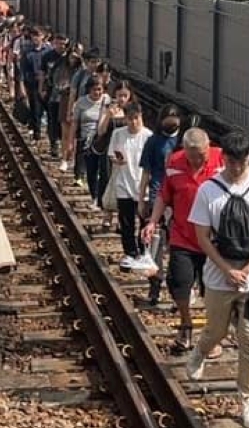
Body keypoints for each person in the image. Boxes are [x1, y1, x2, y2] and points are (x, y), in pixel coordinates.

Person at [186, 132, 249, 428]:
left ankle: (247, 399)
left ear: (248, 158)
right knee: (215, 329)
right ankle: (201, 350)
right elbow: (202, 235)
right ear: (223, 158)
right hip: (219, 273)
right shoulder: (209, 190)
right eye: (231, 162)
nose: (237, 168)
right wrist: (226, 268)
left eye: (241, 162)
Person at [142, 127, 224, 351]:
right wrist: (152, 221)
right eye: (193, 155)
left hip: (213, 239)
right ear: (185, 151)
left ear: (208, 148)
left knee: (212, 289)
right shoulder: (174, 163)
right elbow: (164, 196)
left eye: (202, 155)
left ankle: (211, 334)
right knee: (179, 281)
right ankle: (186, 323)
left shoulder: (220, 160)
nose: (198, 160)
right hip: (183, 235)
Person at [128, 105, 182, 284]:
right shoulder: (153, 141)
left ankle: (177, 281)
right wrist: (141, 199)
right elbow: (146, 173)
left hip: (178, 197)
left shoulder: (183, 141)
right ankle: (155, 284)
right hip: (157, 193)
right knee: (156, 241)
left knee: (175, 243)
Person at [107, 102, 152, 266]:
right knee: (126, 221)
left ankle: (144, 251)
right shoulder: (118, 134)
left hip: (142, 185)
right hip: (123, 183)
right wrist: (117, 160)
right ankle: (130, 252)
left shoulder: (148, 136)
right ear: (125, 119)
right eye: (130, 119)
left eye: (136, 118)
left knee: (144, 221)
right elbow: (111, 154)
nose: (133, 122)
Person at [72, 76, 111, 204]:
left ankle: (99, 198)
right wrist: (71, 142)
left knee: (104, 170)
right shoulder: (81, 102)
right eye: (94, 89)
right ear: (89, 89)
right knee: (91, 171)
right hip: (86, 140)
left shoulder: (107, 101)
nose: (97, 92)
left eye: (100, 89)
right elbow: (75, 123)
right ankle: (94, 194)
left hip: (102, 141)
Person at [20, 27, 48, 141]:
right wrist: (21, 86)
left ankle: (47, 133)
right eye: (34, 35)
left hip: (46, 84)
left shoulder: (48, 50)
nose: (36, 37)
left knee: (46, 109)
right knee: (35, 108)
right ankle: (37, 132)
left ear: (43, 36)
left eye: (38, 35)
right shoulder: (27, 52)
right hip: (32, 83)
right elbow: (22, 70)